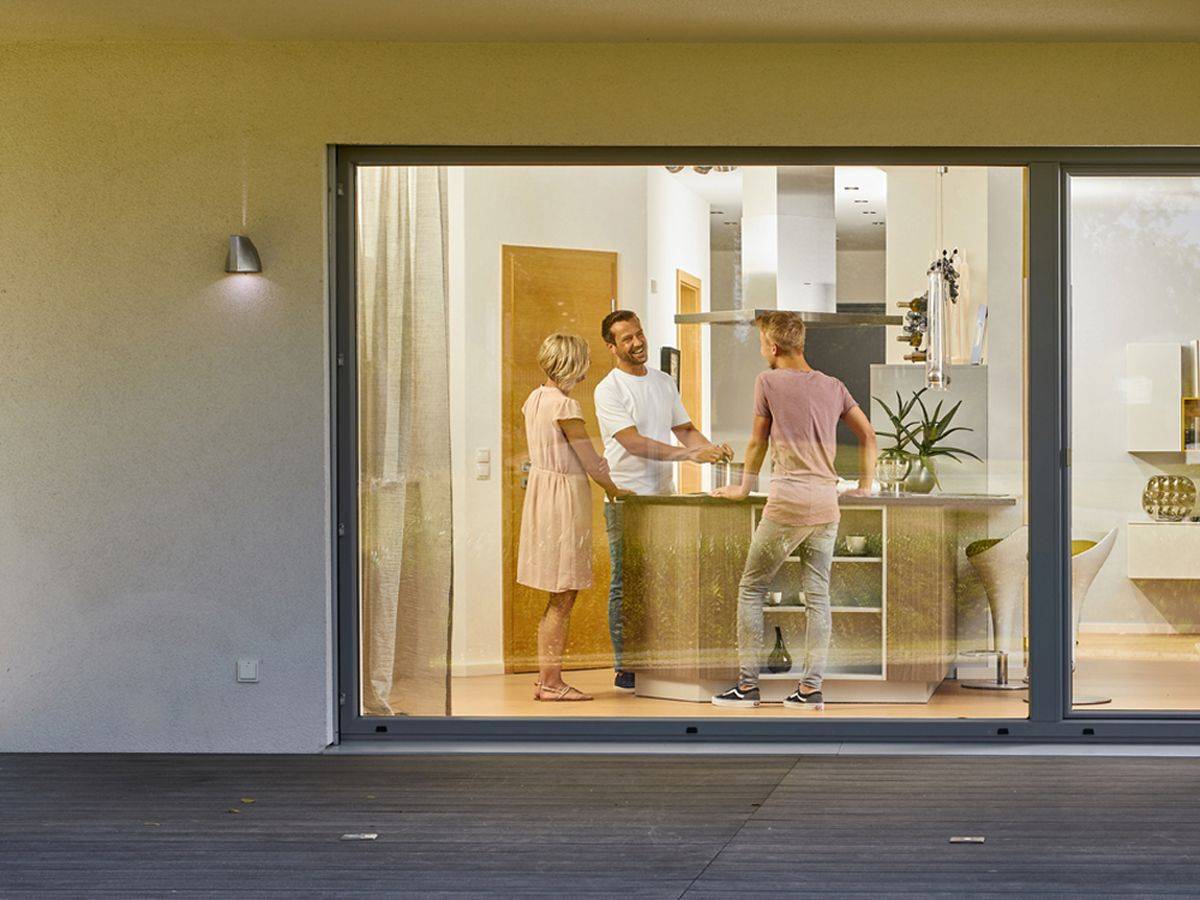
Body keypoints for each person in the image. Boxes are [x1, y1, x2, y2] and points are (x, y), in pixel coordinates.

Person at [711, 311, 877, 711]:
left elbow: (757, 443)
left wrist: (742, 488)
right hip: (825, 504)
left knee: (752, 588)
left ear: (772, 346)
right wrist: (865, 486)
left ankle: (748, 688)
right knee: (817, 596)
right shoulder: (834, 386)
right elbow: (869, 435)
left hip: (786, 503)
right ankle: (810, 689)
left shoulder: (767, 381)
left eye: (760, 345)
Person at [594, 310, 731, 690]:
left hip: (665, 499)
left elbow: (684, 429)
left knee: (666, 580)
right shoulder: (608, 389)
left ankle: (662, 660)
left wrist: (711, 450)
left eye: (639, 334)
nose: (637, 343)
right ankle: (627, 667)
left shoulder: (664, 381)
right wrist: (689, 456)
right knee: (627, 583)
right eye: (627, 339)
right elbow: (633, 443)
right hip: (628, 500)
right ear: (612, 347)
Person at [518, 333, 632, 702]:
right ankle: (551, 683)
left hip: (542, 495)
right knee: (563, 596)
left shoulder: (535, 399)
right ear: (573, 364)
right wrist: (616, 488)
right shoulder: (565, 407)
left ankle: (546, 678)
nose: (586, 371)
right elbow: (591, 461)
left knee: (557, 593)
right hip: (563, 501)